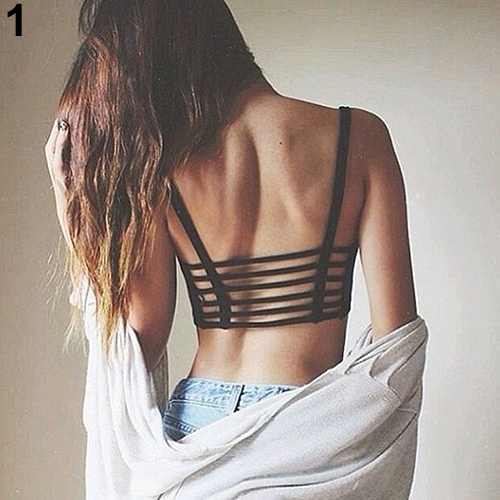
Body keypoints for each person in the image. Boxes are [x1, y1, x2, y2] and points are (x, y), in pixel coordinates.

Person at [45, 0, 417, 450]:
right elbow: (396, 344)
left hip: (197, 423)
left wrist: (70, 212)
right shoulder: (361, 135)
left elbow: (142, 338)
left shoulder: (162, 164)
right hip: (305, 422)